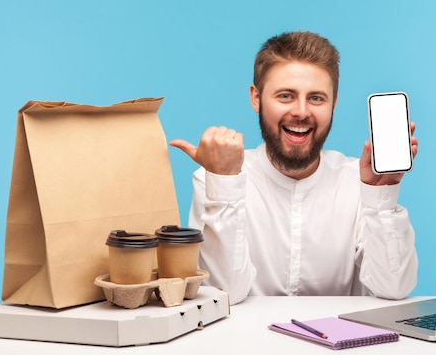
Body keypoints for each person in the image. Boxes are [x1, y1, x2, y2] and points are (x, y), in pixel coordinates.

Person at [170, 31, 418, 305]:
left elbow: (394, 288)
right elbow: (223, 294)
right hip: (246, 346)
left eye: (316, 98)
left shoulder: (355, 182)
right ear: (256, 98)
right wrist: (224, 184)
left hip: (340, 346)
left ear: (334, 103)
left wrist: (379, 195)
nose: (301, 111)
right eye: (286, 96)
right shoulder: (215, 179)